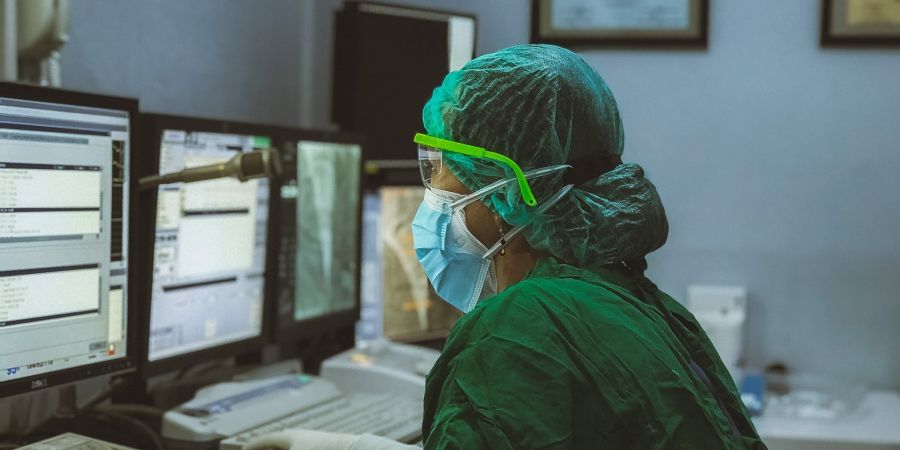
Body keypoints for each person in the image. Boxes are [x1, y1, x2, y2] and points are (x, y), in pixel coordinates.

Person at [248, 44, 766, 449]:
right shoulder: (633, 302)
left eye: (440, 168)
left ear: (503, 193)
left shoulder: (519, 331)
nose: (433, 192)